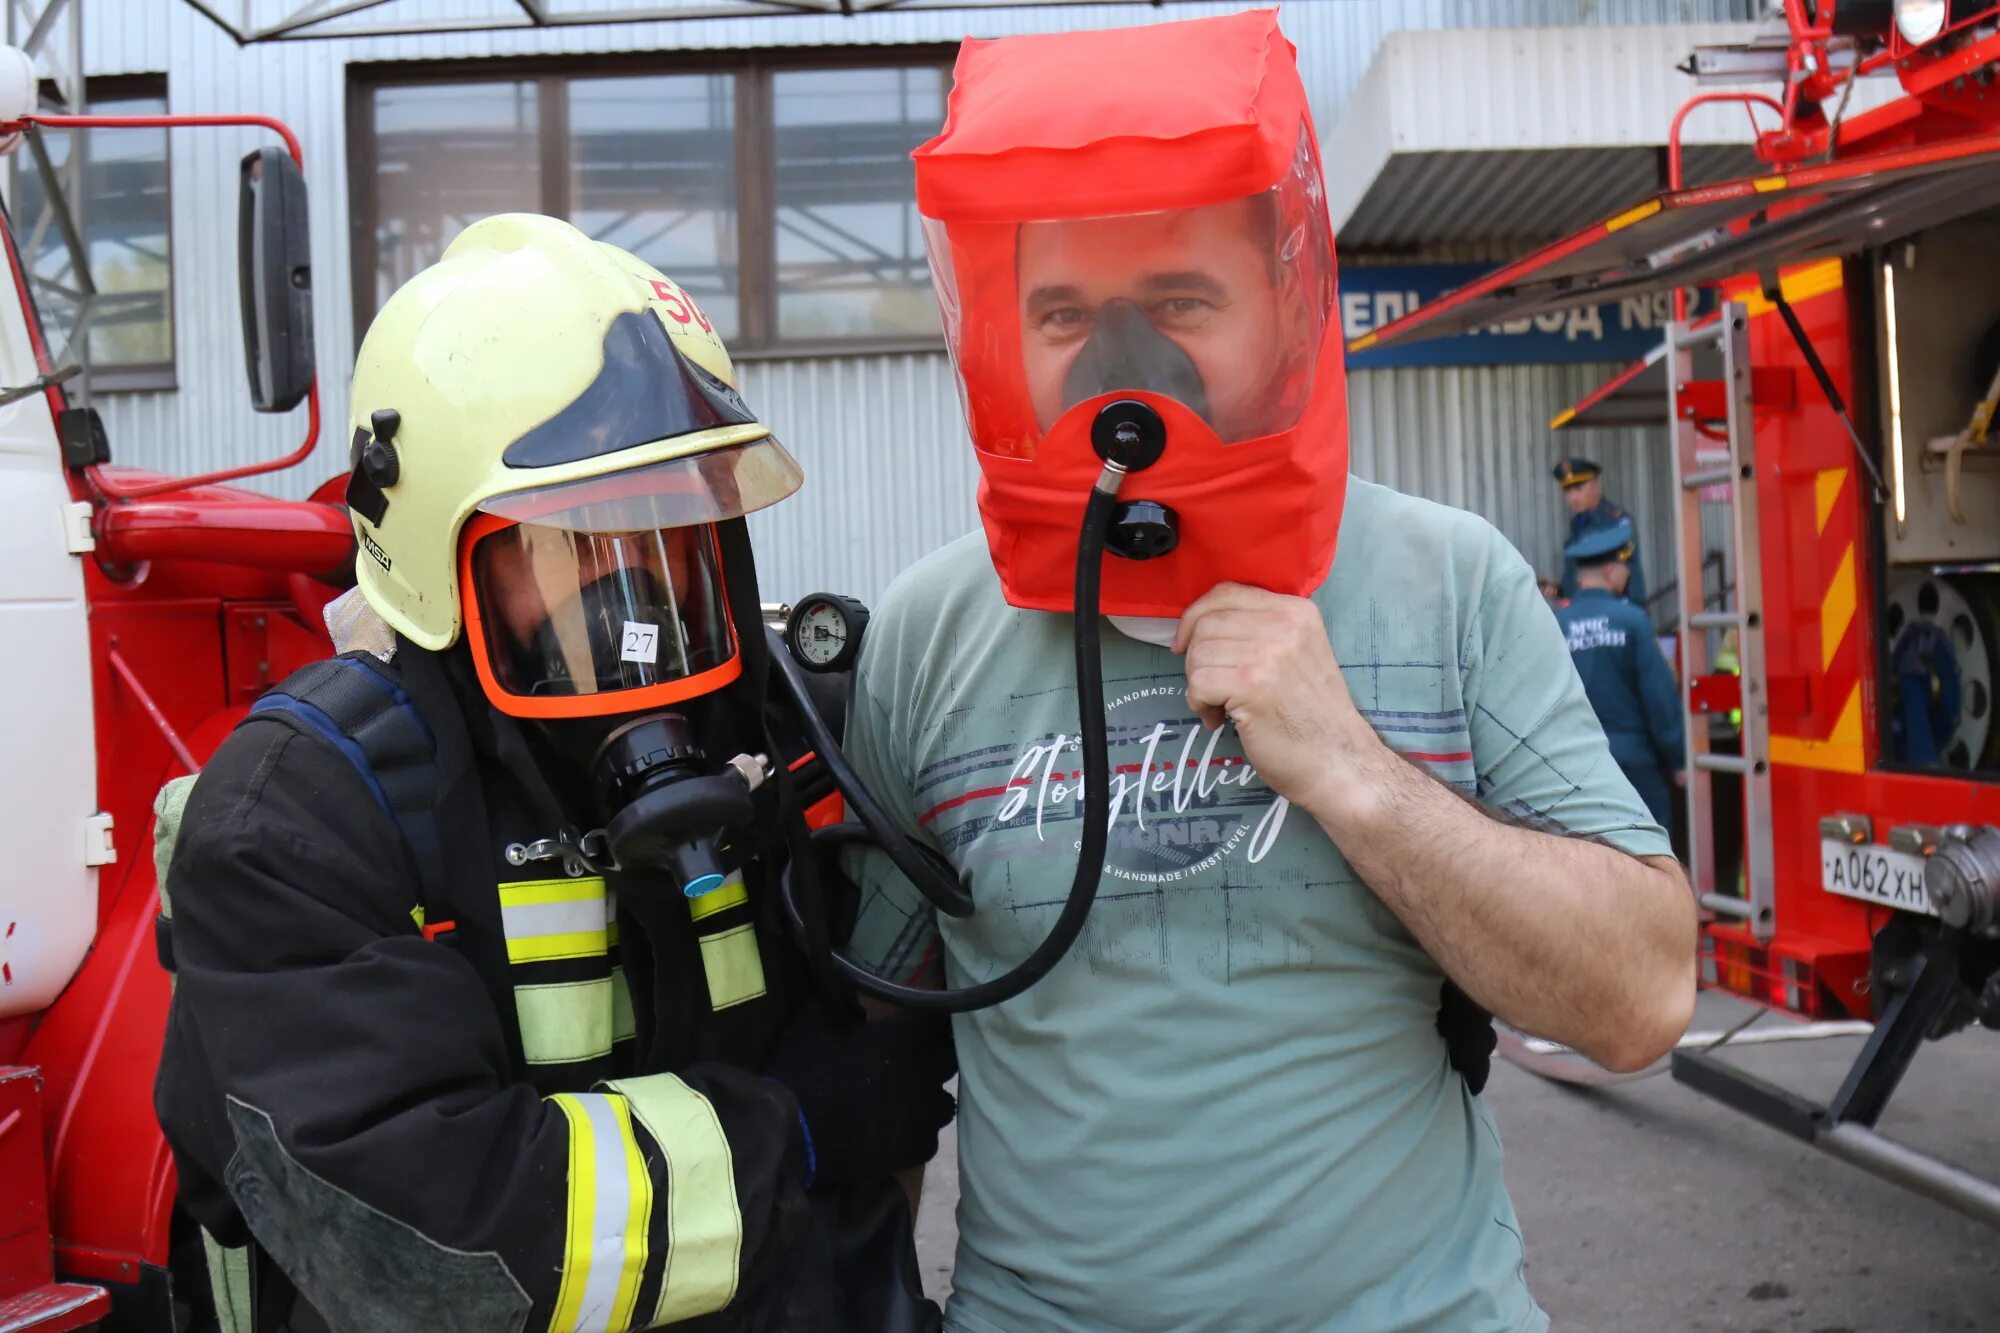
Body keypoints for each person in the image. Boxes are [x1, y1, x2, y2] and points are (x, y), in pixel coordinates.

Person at [839, 13, 1697, 1333]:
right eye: (1065, 313)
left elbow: (1640, 999)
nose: (1124, 367)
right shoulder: (928, 633)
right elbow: (873, 1061)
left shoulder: (1448, 583)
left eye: (1182, 301)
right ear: (1006, 333)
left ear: (1286, 308)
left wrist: (1357, 774)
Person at [151, 214, 956, 1333]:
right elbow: (435, 1249)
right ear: (437, 555)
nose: (640, 595)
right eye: (570, 541)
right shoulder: (293, 823)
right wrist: (794, 1135)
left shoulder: (766, 739)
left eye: (673, 526)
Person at [1554, 518, 1686, 833]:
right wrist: (1679, 758)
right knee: (1647, 855)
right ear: (1611, 571)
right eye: (1625, 566)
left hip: (1576, 764)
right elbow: (1659, 698)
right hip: (1633, 764)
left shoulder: (1557, 624)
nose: (1628, 574)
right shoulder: (1633, 621)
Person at [1554, 455, 1646, 606]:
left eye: (1579, 488)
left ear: (1596, 485)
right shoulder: (1577, 524)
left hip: (1613, 612)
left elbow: (1625, 577)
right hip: (1582, 611)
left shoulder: (1616, 522)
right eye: (1568, 491)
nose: (1573, 497)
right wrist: (1561, 590)